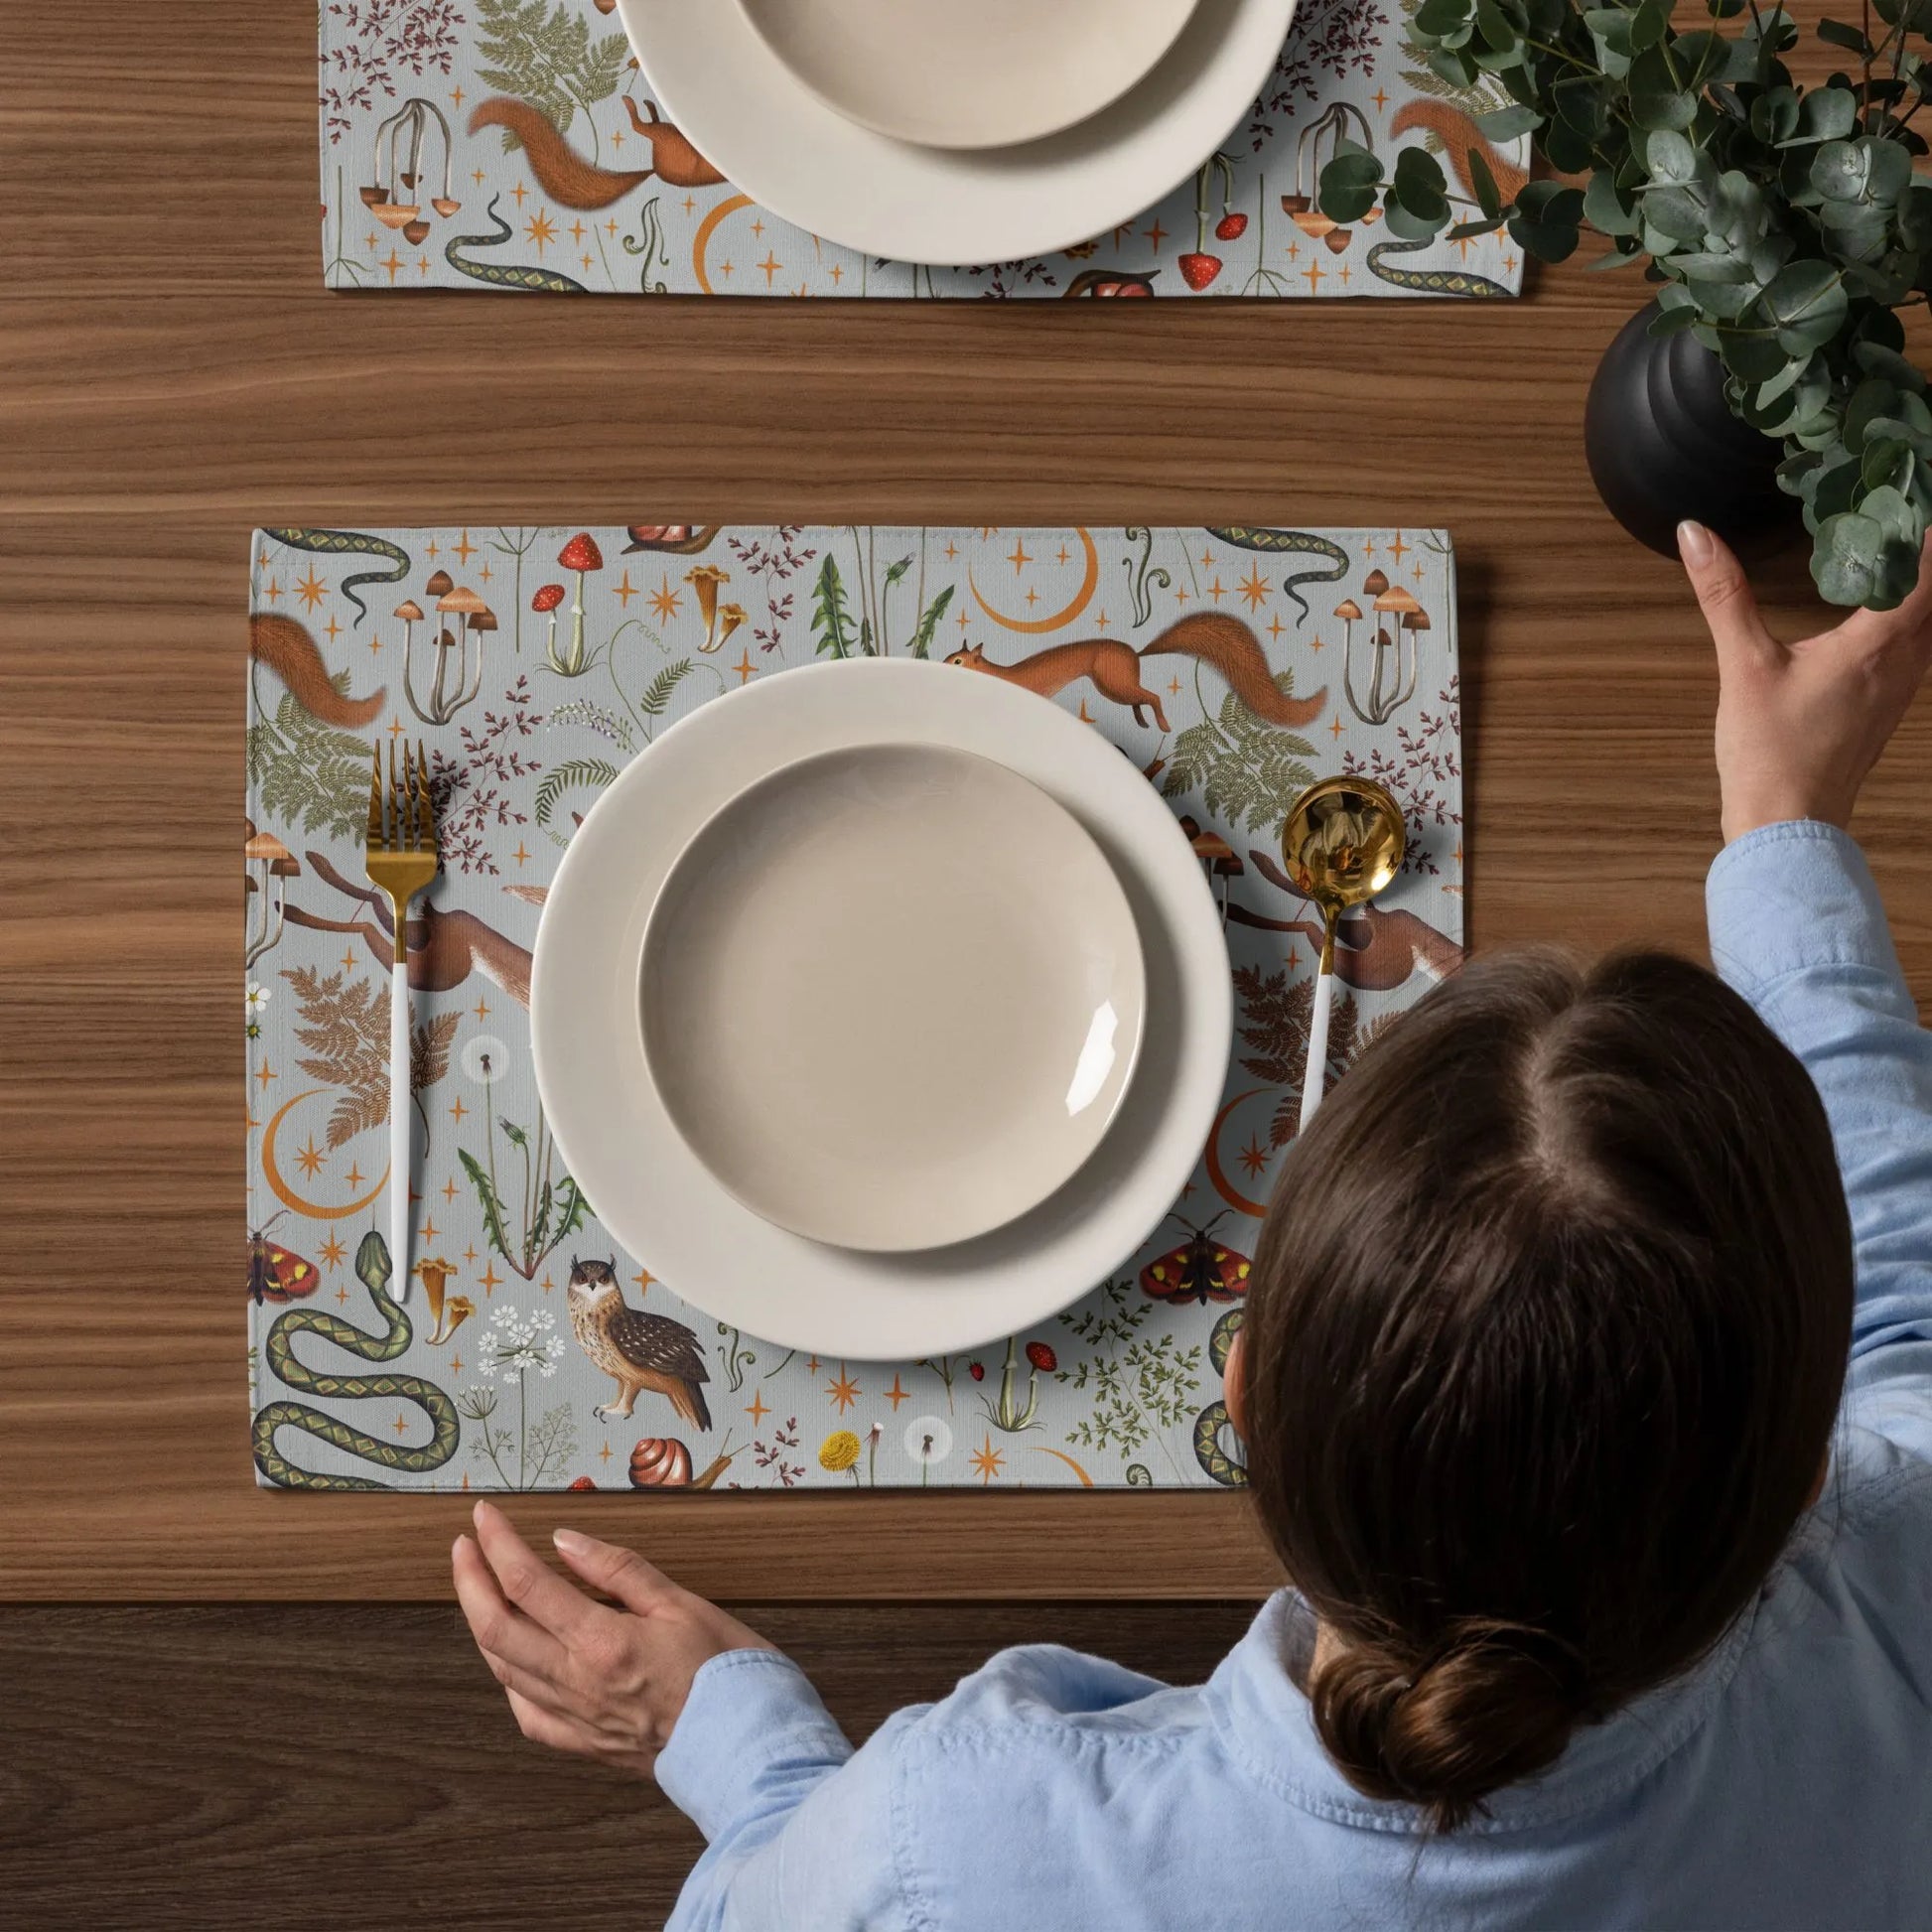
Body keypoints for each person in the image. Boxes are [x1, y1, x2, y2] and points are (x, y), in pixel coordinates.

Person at [452, 522, 1932, 1930]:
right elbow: (1905, 1322)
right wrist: (1781, 830)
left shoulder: (955, 1846)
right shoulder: (1896, 1605)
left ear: (1238, 1393)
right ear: (1802, 1478)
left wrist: (737, 1750)